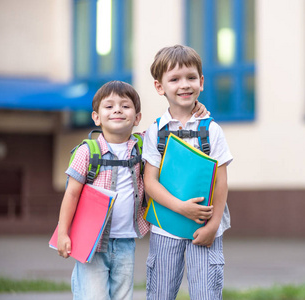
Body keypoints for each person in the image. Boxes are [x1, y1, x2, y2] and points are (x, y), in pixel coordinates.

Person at [56, 80, 208, 300]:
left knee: (122, 296)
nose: (117, 109)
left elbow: (168, 127)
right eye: (109, 106)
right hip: (91, 243)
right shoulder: (87, 152)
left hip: (126, 242)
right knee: (92, 296)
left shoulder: (142, 144)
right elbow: (71, 194)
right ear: (96, 117)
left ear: (137, 118)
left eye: (125, 106)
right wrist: (63, 233)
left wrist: (195, 107)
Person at [143, 45, 233, 300]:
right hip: (165, 227)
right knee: (160, 293)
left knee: (206, 292)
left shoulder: (211, 129)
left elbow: (221, 181)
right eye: (174, 79)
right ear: (160, 87)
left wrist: (213, 226)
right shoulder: (156, 132)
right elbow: (150, 181)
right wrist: (181, 208)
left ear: (201, 82)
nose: (184, 84)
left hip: (204, 228)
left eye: (191, 77)